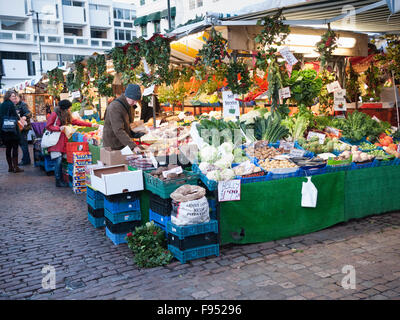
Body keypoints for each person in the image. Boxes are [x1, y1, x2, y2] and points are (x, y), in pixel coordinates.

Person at [46, 99, 98, 187]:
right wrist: (59, 128)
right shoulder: (55, 114)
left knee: (60, 160)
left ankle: (61, 179)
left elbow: (75, 122)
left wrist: (91, 125)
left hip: (62, 141)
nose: (70, 110)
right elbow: (48, 126)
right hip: (55, 141)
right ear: (64, 108)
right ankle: (58, 181)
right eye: (69, 108)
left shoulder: (66, 114)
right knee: (58, 160)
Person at [103, 84, 143, 151]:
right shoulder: (115, 107)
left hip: (122, 143)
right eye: (133, 100)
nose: (135, 103)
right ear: (126, 96)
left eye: (136, 101)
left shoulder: (129, 105)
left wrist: (134, 133)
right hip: (113, 145)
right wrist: (133, 146)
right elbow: (118, 130)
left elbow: (127, 123)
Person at [0, 90, 23, 173]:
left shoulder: (2, 105)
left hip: (4, 130)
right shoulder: (11, 105)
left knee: (8, 148)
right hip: (12, 130)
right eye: (13, 96)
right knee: (15, 148)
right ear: (9, 97)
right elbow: (16, 117)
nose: (14, 98)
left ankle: (10, 167)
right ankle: (16, 167)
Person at [12, 93, 32, 166]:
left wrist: (24, 117)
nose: (14, 100)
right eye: (13, 99)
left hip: (24, 127)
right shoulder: (14, 105)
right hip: (18, 127)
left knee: (23, 144)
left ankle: (26, 160)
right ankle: (26, 159)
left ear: (19, 98)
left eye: (15, 99)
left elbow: (29, 113)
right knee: (22, 144)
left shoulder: (23, 104)